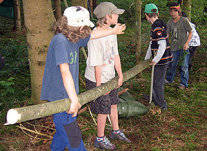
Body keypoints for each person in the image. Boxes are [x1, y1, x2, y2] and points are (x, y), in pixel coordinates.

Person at [40, 6, 126, 151]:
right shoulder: (61, 41)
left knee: (62, 133)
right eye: (84, 27)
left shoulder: (73, 38)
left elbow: (92, 36)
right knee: (74, 140)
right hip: (61, 97)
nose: (86, 30)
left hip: (67, 95)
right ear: (78, 27)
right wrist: (74, 99)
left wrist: (113, 31)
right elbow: (64, 71)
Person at [84, 2, 131, 150]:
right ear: (107, 16)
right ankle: (100, 138)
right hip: (97, 78)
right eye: (115, 14)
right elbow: (97, 64)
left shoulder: (112, 32)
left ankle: (115, 131)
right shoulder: (95, 36)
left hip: (110, 77)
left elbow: (115, 55)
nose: (118, 16)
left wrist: (120, 75)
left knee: (113, 104)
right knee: (103, 109)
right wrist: (99, 87)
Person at [144, 3, 173, 110]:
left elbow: (162, 44)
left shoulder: (157, 26)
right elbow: (152, 43)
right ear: (157, 14)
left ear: (146, 15)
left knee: (158, 82)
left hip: (162, 59)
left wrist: (156, 59)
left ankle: (161, 104)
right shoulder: (157, 24)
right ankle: (153, 96)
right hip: (160, 58)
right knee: (154, 79)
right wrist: (147, 58)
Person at [165, 2, 192, 90]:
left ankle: (183, 83)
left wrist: (186, 43)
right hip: (173, 47)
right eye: (171, 11)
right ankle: (169, 79)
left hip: (183, 47)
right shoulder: (169, 22)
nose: (173, 13)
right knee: (172, 64)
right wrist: (165, 43)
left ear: (178, 11)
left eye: (175, 11)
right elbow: (167, 34)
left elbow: (190, 32)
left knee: (184, 65)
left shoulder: (184, 20)